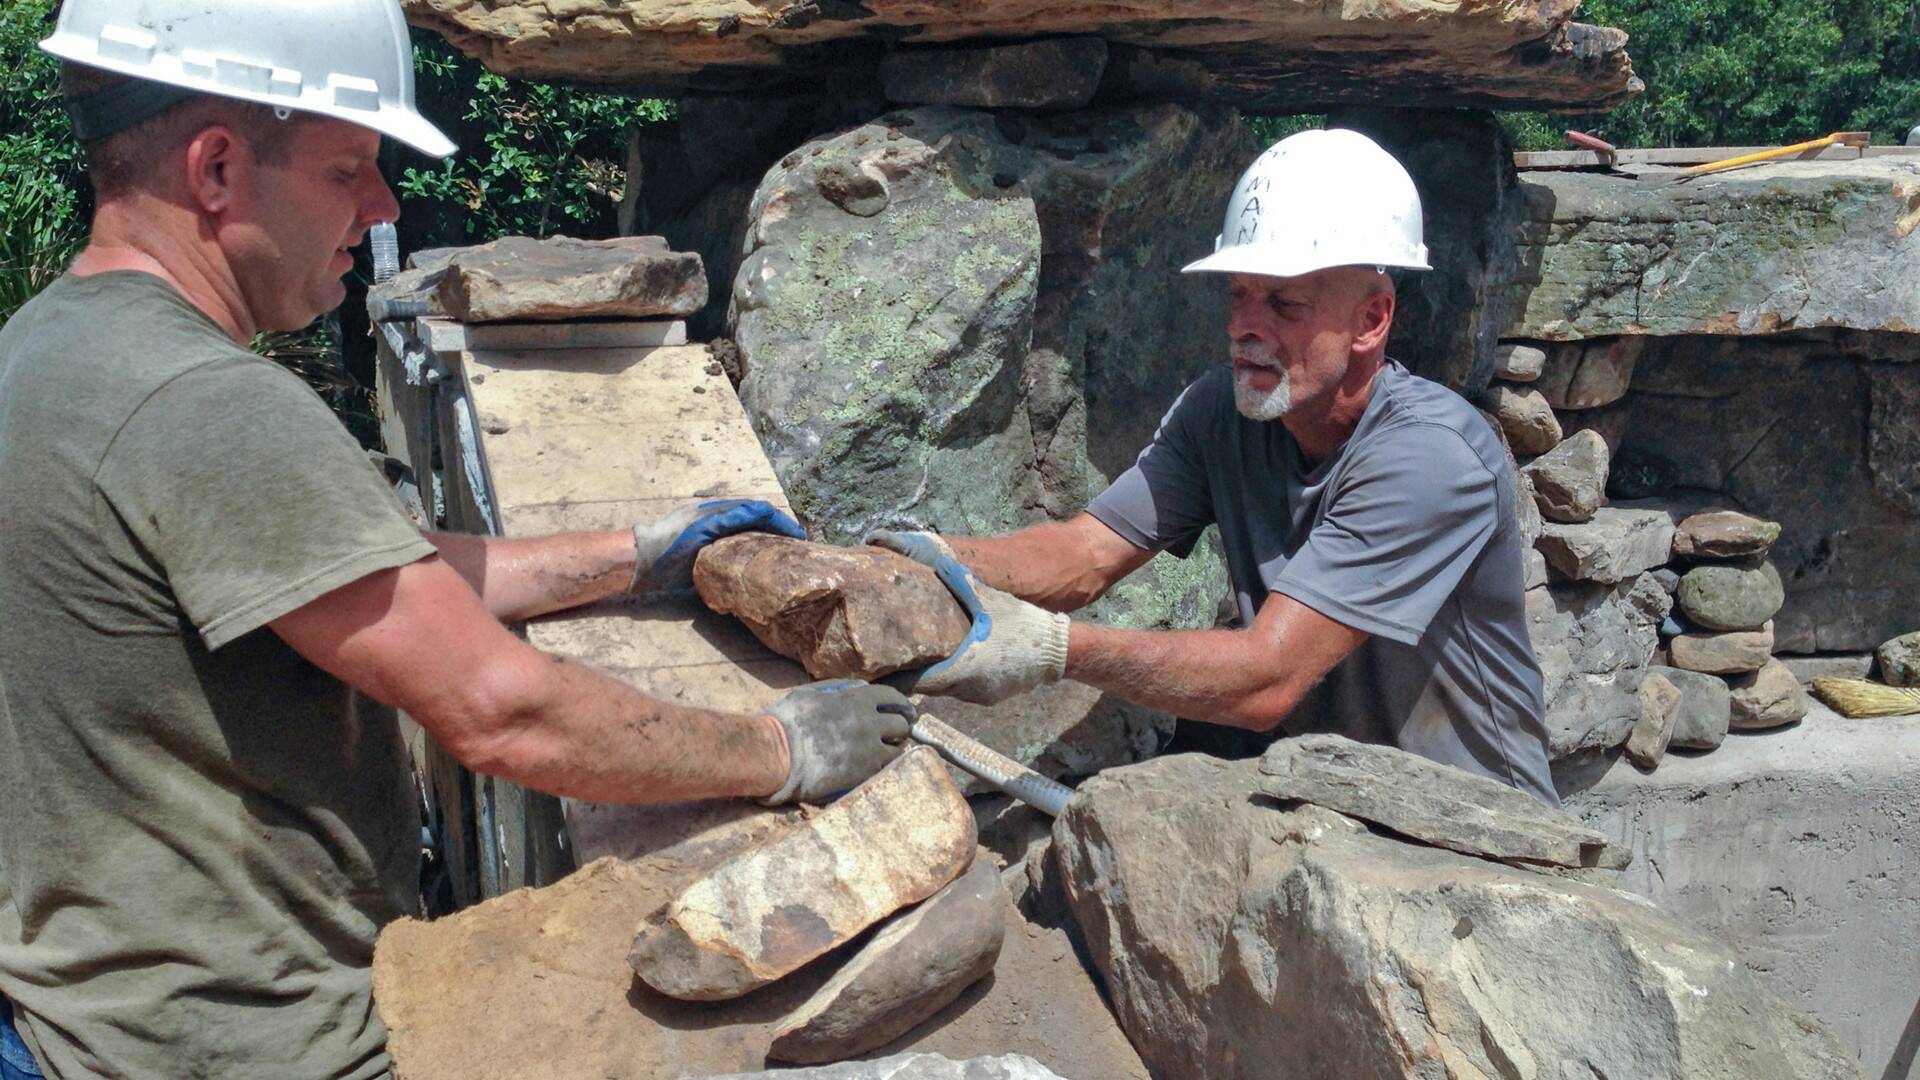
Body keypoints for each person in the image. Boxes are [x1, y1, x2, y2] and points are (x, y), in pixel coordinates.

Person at [0, 2, 910, 1077]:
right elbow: (500, 710)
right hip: (241, 1039)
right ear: (214, 168)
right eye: (349, 170)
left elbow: (377, 582)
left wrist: (640, 550)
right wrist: (782, 748)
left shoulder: (50, 344)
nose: (380, 205)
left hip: (87, 1010)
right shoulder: (206, 405)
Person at [871, 128, 1556, 807]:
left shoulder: (1432, 456)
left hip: (1480, 832)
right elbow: (1084, 554)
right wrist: (932, 561)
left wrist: (1051, 650)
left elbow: (1268, 679)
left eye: (1284, 303)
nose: (1242, 327)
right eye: (1237, 295)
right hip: (1336, 812)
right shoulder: (1221, 414)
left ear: (1371, 320)